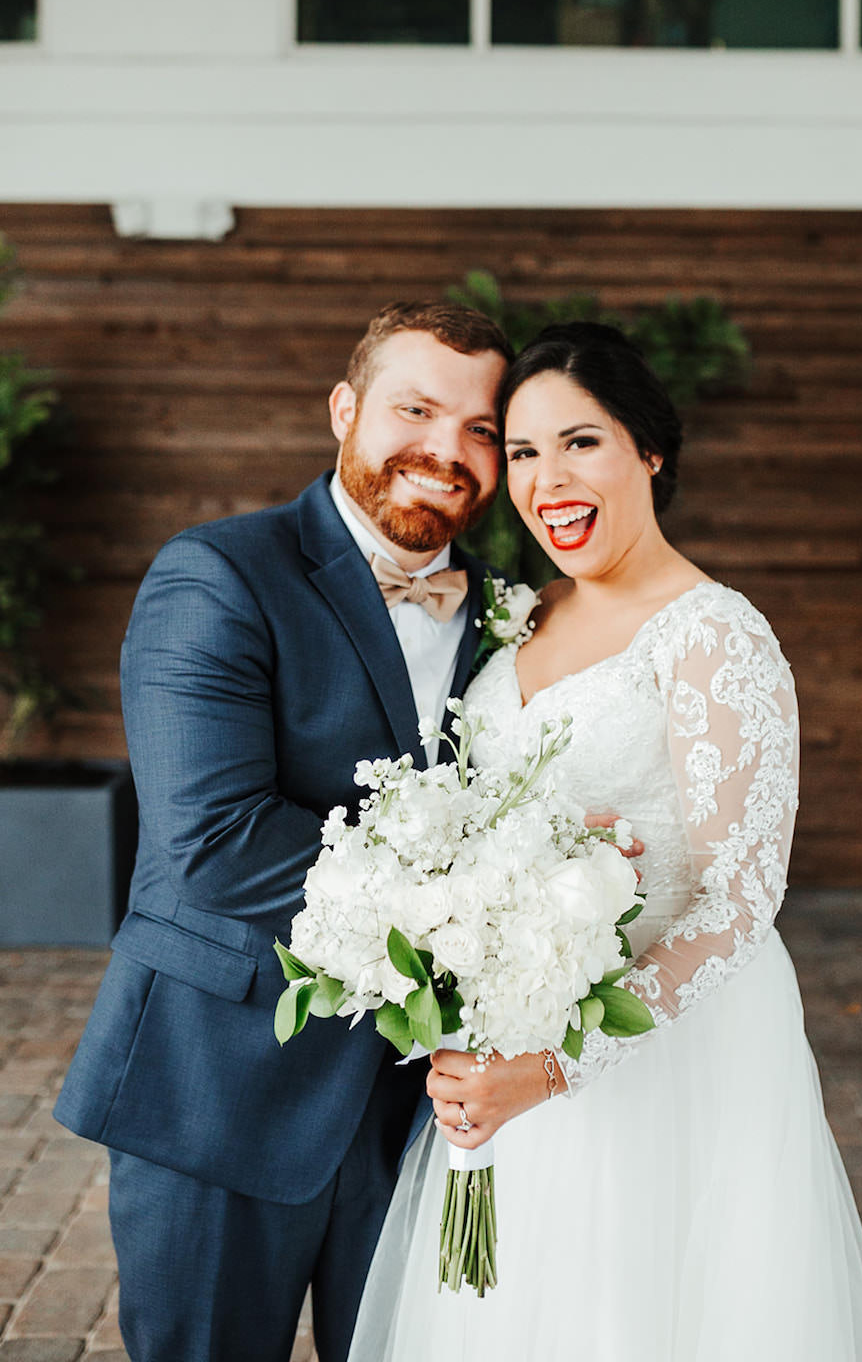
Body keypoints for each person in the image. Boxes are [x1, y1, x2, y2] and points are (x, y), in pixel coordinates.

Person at [350, 322, 862, 1362]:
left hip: (666, 1061)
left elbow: (740, 903)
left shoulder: (714, 634)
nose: (545, 478)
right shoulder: (518, 616)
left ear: (648, 450)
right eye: (518, 453)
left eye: (580, 442)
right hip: (509, 1038)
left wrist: (551, 1068)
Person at [54, 302, 515, 1362]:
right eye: (415, 408)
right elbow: (217, 840)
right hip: (220, 1086)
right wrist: (483, 906)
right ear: (345, 409)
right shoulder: (218, 573)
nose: (445, 450)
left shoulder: (506, 608)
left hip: (417, 1111)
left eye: (480, 428)